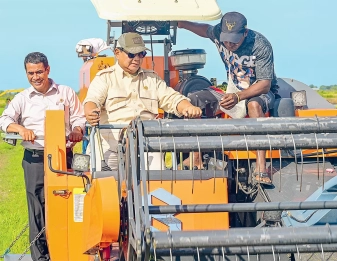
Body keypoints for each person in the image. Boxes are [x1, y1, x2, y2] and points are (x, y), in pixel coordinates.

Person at [0, 52, 86, 261]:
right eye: (31, 73)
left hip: (62, 156)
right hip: (35, 158)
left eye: (39, 71)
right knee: (37, 209)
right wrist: (20, 129)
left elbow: (79, 118)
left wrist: (76, 130)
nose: (35, 77)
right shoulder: (22, 98)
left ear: (48, 70)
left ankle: (68, 252)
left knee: (69, 204)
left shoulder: (65, 93)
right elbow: (5, 120)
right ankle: (41, 257)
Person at [178, 11, 279, 185]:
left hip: (258, 91)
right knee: (194, 99)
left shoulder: (260, 45)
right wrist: (182, 23)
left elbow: (265, 84)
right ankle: (196, 158)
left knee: (254, 105)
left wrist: (238, 97)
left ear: (245, 33)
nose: (229, 44)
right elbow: (205, 29)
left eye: (234, 40)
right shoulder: (217, 33)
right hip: (233, 88)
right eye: (225, 39)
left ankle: (261, 167)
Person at [83, 32, 202, 170]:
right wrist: (90, 112)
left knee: (159, 183)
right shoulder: (104, 78)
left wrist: (187, 106)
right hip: (110, 147)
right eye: (132, 54)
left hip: (146, 147)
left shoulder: (152, 79)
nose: (137, 59)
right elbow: (92, 101)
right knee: (100, 182)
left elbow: (171, 98)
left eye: (141, 54)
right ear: (117, 52)